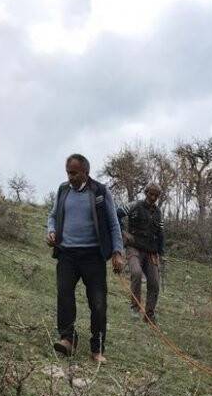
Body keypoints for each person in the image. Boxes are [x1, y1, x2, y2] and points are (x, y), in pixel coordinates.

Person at [47, 154, 124, 363]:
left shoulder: (100, 192)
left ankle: (97, 349)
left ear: (85, 172)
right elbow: (53, 216)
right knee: (64, 295)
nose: (70, 177)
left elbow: (113, 223)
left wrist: (118, 252)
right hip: (67, 255)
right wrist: (51, 231)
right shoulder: (63, 190)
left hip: (93, 256)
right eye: (68, 172)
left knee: (98, 304)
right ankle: (67, 339)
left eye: (74, 173)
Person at [118, 183, 165, 323]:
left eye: (156, 195)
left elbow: (161, 233)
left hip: (151, 251)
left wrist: (161, 253)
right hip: (134, 247)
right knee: (136, 273)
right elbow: (116, 214)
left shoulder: (159, 213)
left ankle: (149, 315)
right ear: (146, 193)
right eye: (151, 194)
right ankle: (134, 307)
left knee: (155, 282)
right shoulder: (134, 205)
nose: (153, 197)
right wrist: (123, 232)